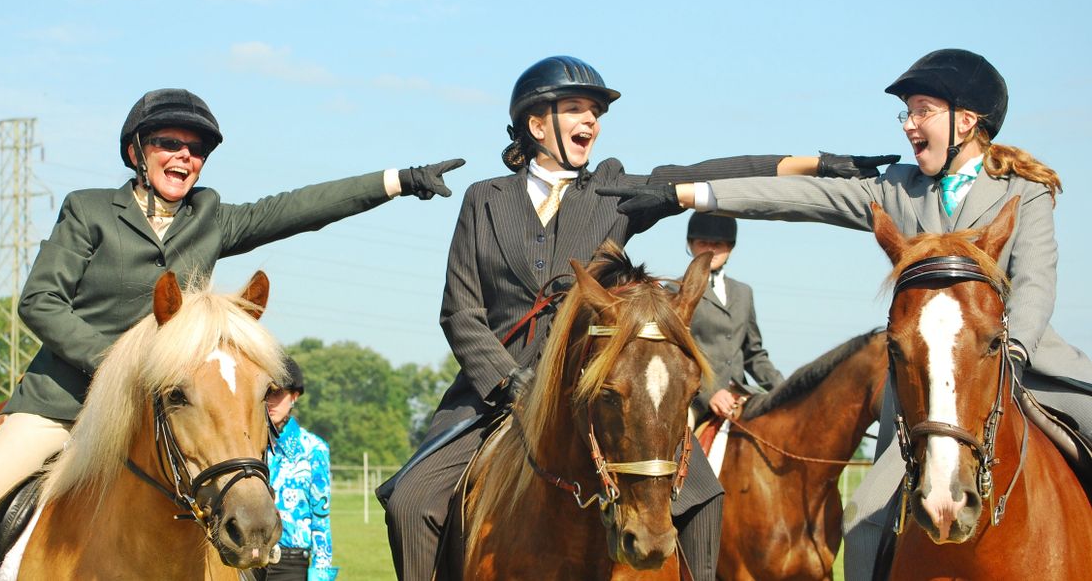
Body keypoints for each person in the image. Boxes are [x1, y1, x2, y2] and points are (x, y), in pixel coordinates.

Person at [379, 55, 897, 581]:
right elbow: (461, 312)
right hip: (496, 390)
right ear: (537, 125)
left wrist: (820, 165)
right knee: (411, 500)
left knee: (703, 499)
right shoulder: (482, 199)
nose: (592, 122)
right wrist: (509, 383)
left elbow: (708, 173)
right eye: (578, 109)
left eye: (596, 113)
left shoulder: (612, 192)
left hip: (603, 387)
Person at [0, 88, 464, 580]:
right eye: (169, 144)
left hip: (174, 410)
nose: (183, 157)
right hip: (67, 399)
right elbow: (40, 301)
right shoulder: (89, 210)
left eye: (195, 150)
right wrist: (115, 363)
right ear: (136, 152)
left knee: (238, 504)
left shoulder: (208, 216)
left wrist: (397, 181)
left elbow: (296, 209)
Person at [646, 48, 1092, 579]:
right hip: (921, 391)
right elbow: (799, 197)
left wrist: (1012, 353)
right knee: (862, 517)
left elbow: (1037, 286)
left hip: (1018, 365)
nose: (909, 125)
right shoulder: (897, 189)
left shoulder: (1026, 192)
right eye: (906, 113)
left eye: (922, 111)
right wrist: (683, 194)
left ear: (966, 120)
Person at [681, 214, 783, 424]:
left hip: (740, 392)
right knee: (678, 438)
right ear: (690, 245)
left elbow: (753, 354)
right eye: (703, 243)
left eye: (718, 244)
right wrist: (710, 393)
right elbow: (676, 357)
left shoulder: (743, 292)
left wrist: (786, 389)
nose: (710, 249)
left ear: (730, 248)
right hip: (696, 399)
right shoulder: (675, 291)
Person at [258, 357, 336, 581]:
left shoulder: (314, 449)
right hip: (247, 560)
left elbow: (321, 514)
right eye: (265, 394)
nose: (270, 401)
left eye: (278, 393)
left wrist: (321, 574)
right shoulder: (246, 446)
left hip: (291, 564)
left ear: (294, 396)